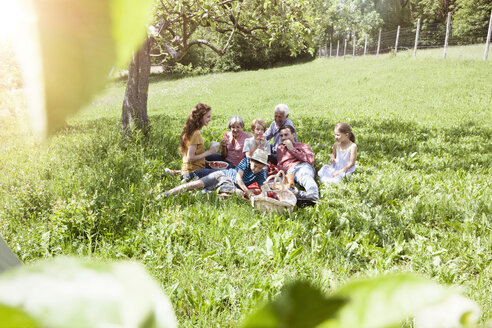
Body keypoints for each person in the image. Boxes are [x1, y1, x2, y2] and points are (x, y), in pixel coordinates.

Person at [159, 149, 269, 199]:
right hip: (222, 175)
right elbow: (238, 179)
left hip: (229, 185)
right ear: (251, 161)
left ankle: (206, 193)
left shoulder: (260, 172)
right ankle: (167, 193)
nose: (257, 169)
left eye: (260, 167)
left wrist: (267, 192)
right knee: (196, 184)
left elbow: (264, 186)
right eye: (255, 166)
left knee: (238, 193)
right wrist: (248, 191)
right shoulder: (245, 162)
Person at [175, 103, 220, 181]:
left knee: (217, 157)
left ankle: (182, 175)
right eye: (208, 117)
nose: (210, 119)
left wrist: (206, 162)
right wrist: (210, 152)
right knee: (222, 174)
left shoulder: (192, 130)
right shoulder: (195, 134)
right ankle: (189, 180)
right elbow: (190, 158)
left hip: (192, 170)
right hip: (193, 172)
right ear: (200, 118)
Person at [277, 125, 319, 204]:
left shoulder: (303, 146)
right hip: (289, 172)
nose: (283, 138)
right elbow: (280, 163)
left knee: (305, 176)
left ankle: (313, 195)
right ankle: (301, 195)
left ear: (293, 135)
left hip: (302, 166)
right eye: (281, 136)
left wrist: (292, 149)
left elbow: (310, 160)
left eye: (286, 135)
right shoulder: (280, 149)